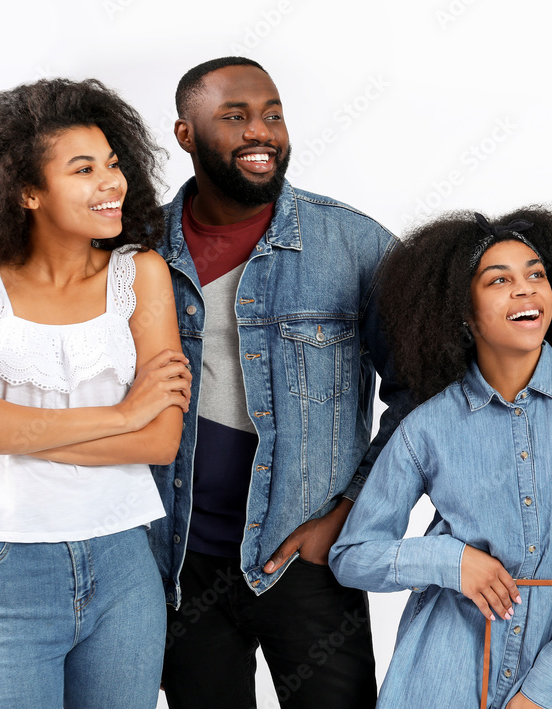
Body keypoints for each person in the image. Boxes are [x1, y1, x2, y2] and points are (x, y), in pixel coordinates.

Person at [0, 78, 191, 708]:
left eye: (114, 164)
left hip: (125, 556)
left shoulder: (141, 273)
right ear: (26, 191)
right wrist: (122, 413)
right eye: (83, 169)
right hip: (4, 564)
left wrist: (11, 424)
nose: (112, 183)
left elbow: (160, 441)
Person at [153, 57, 408, 708]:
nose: (260, 131)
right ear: (185, 134)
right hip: (180, 566)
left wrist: (347, 513)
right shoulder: (139, 250)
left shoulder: (353, 244)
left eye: (272, 113)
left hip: (308, 561)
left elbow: (422, 392)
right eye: (234, 117)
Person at [330, 208, 552, 709]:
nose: (525, 290)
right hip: (440, 668)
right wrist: (449, 559)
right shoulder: (427, 426)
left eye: (535, 275)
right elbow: (353, 556)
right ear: (462, 309)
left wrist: (547, 688)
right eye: (499, 280)